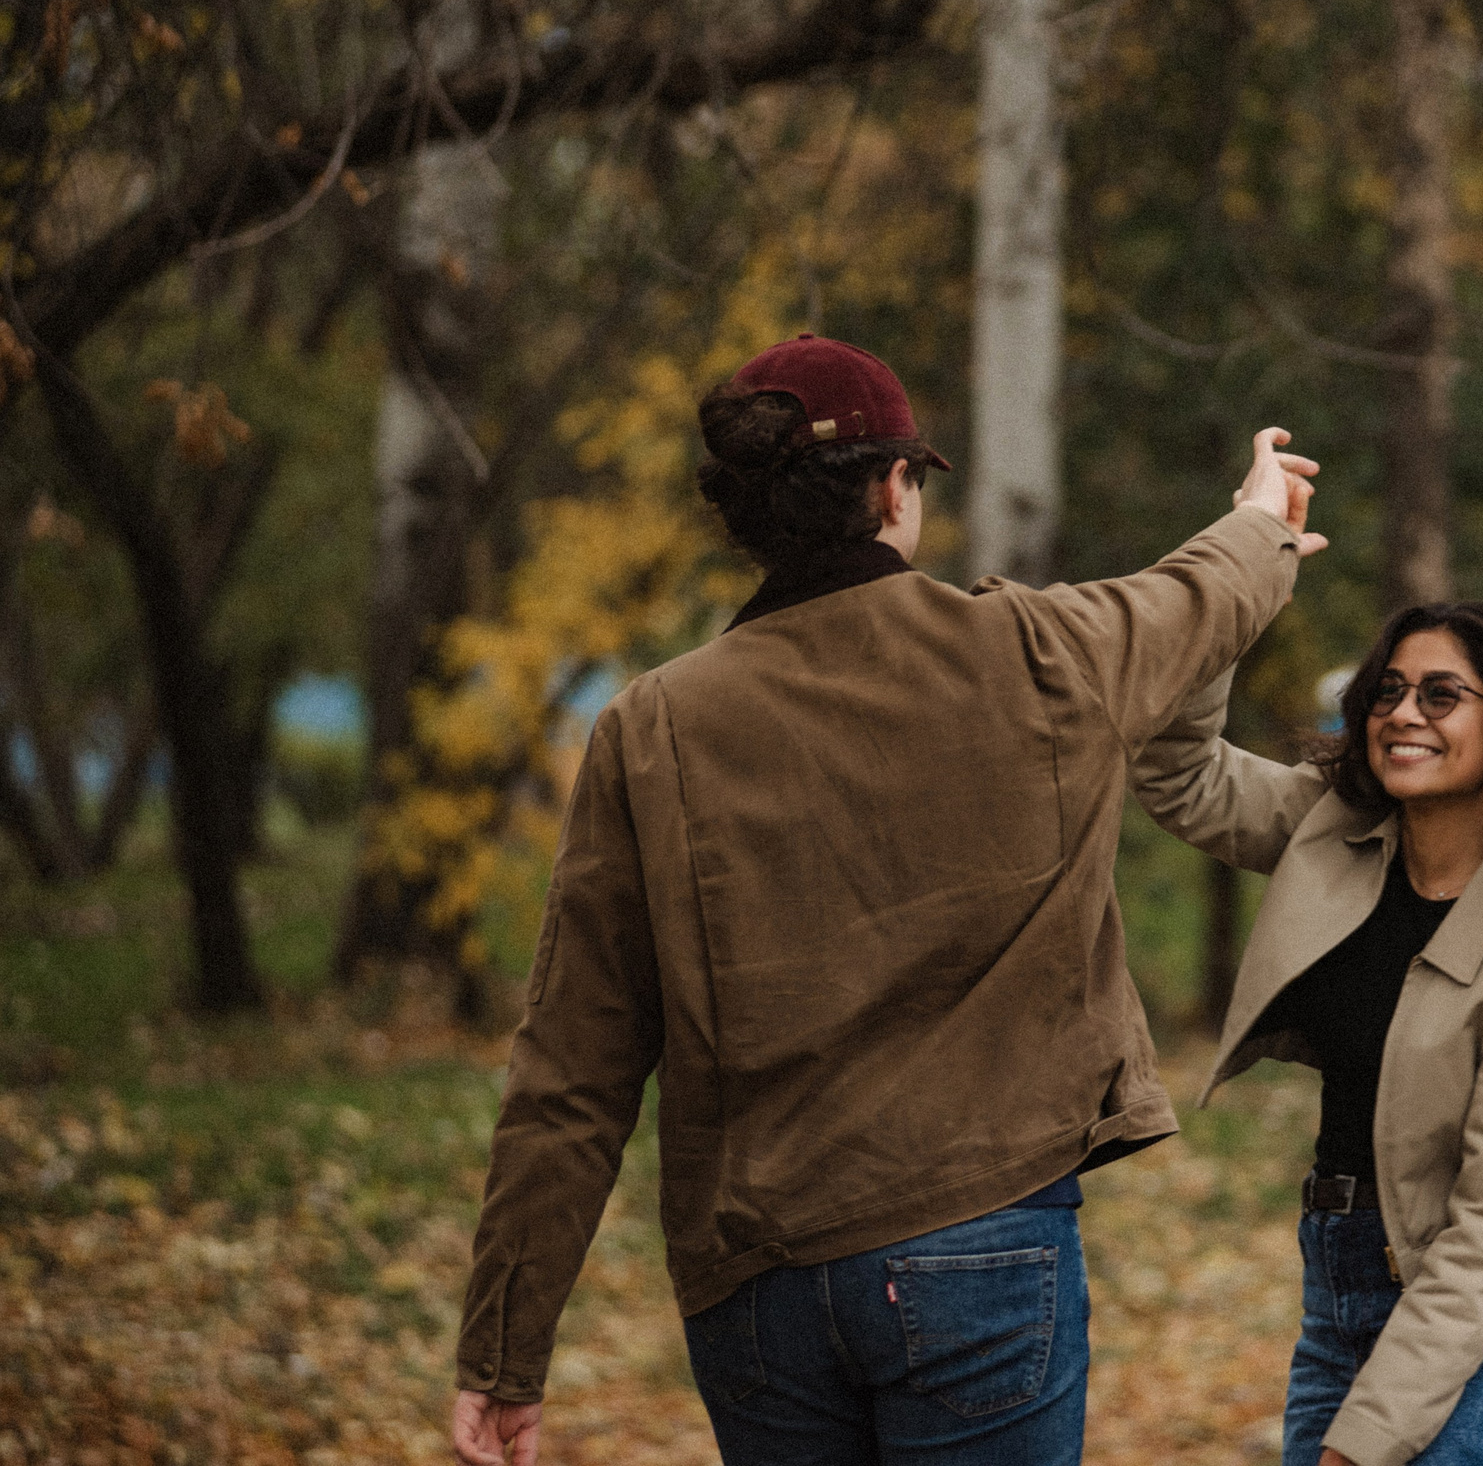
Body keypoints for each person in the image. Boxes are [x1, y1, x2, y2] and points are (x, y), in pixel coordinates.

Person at [451, 331, 1325, 1466]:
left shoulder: (652, 727)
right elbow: (1197, 597)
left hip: (757, 1282)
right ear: (895, 486)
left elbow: (570, 1072)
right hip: (984, 1246)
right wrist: (1262, 509)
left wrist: (504, 1352)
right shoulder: (1033, 650)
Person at [1132, 602, 1483, 1466]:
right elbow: (1178, 773)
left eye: (1442, 695)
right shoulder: (1333, 825)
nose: (1404, 713)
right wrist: (1240, 582)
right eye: (1389, 691)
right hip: (1338, 1285)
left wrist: (1361, 1443)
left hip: (1477, 1316)